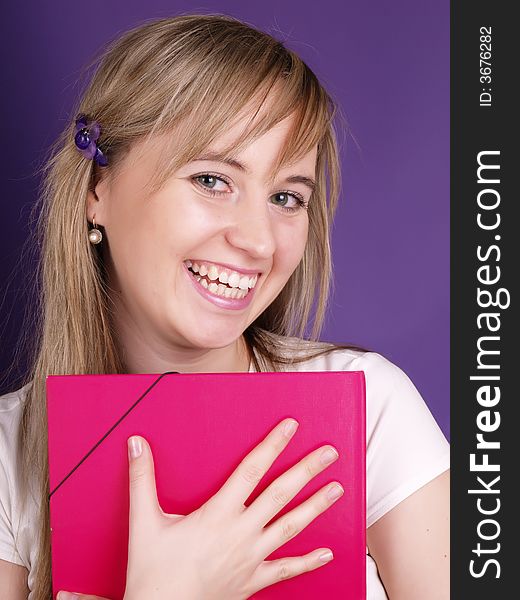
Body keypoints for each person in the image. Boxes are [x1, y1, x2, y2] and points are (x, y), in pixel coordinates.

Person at [0, 13, 450, 600]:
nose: (259, 241)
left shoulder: (371, 409)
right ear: (96, 191)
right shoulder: (10, 452)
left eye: (287, 196)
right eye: (213, 180)